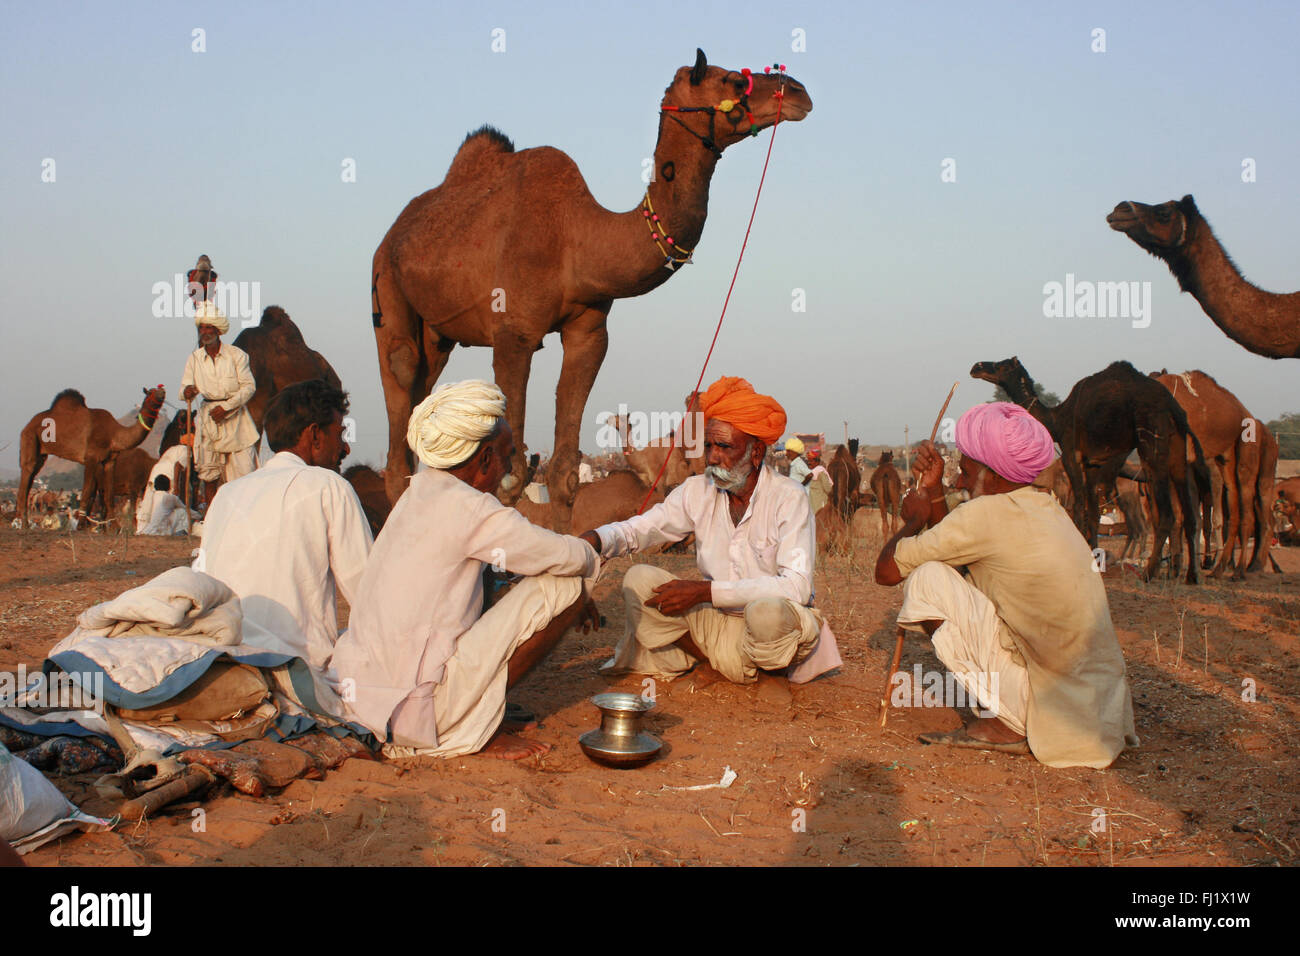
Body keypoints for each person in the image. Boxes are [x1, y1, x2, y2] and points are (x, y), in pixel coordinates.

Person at [332, 380, 600, 761]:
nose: (509, 467)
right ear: (486, 458)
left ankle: (475, 711)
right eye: (507, 456)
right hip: (416, 714)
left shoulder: (418, 492)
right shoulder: (471, 508)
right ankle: (474, 727)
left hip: (365, 702)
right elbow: (567, 557)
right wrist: (595, 548)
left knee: (506, 581)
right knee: (567, 589)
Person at [874, 402, 1139, 769]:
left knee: (926, 579)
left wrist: (914, 519)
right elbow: (962, 554)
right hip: (1098, 713)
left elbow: (886, 572)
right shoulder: (1046, 507)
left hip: (1053, 712)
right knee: (947, 574)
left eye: (966, 472)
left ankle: (1009, 723)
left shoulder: (986, 515)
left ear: (994, 475)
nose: (960, 482)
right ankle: (1015, 712)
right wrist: (935, 492)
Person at [581, 375, 840, 686]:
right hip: (718, 625)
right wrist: (596, 540)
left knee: (766, 613)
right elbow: (643, 529)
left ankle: (771, 676)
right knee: (638, 582)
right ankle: (713, 664)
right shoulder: (698, 490)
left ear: (755, 453)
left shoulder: (788, 497)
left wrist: (706, 592)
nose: (713, 456)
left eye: (724, 446)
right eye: (708, 445)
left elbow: (796, 587)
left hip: (775, 630)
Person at [196, 379, 372, 708]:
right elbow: (369, 596)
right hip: (295, 675)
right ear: (315, 434)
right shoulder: (329, 486)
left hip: (224, 667)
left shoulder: (226, 494)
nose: (345, 448)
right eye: (340, 434)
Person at [180, 301, 259, 505]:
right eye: (201, 328)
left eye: (208, 327)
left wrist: (226, 407)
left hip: (236, 419)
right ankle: (212, 520)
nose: (204, 332)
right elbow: (184, 389)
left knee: (244, 474)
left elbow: (249, 387)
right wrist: (187, 392)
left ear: (218, 330)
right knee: (209, 474)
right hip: (208, 419)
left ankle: (243, 519)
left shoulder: (237, 355)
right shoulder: (194, 359)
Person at [135, 412, 193, 533]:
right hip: (169, 472)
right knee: (167, 503)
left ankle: (141, 528)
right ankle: (161, 529)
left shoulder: (172, 448)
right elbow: (178, 466)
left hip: (156, 470)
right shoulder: (186, 450)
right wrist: (176, 486)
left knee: (149, 500)